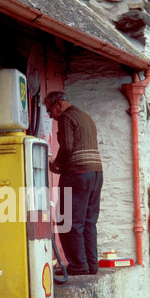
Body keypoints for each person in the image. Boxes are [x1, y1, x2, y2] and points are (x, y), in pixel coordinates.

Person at [44, 91, 103, 276]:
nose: (50, 116)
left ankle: (78, 264)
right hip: (96, 174)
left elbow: (67, 146)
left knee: (67, 220)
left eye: (49, 110)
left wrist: (56, 165)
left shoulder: (66, 117)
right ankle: (91, 265)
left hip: (77, 173)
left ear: (58, 104)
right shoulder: (85, 116)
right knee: (88, 221)